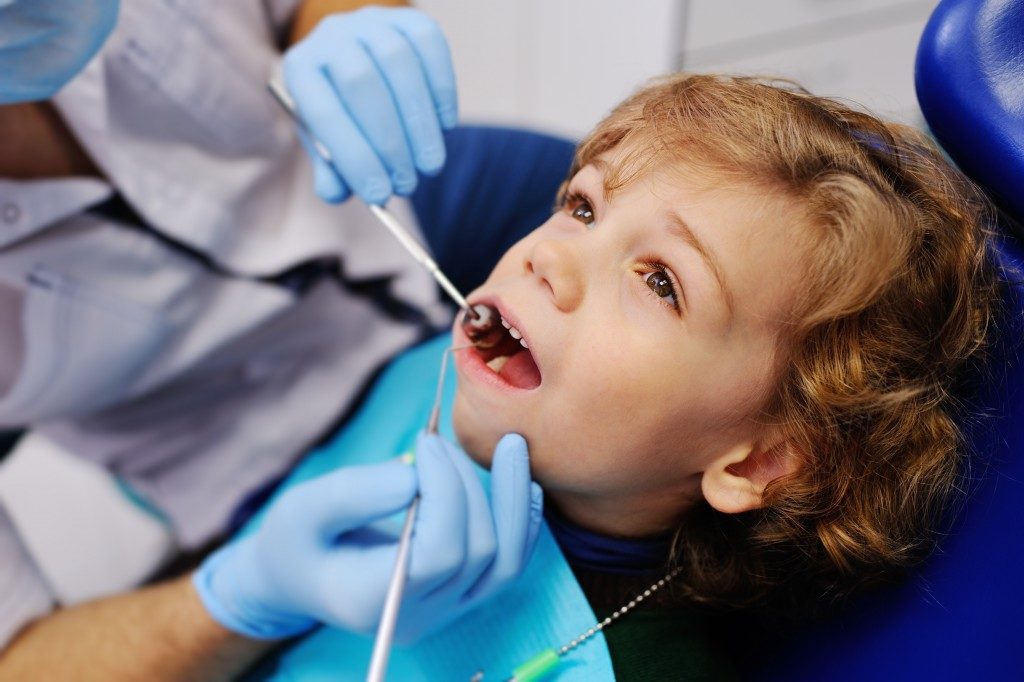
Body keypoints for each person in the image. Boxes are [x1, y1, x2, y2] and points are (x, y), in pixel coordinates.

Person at [203, 73, 1001, 680]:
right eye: (583, 207)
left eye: (661, 281)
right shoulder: (424, 376)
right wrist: (243, 590)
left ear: (754, 461)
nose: (547, 257)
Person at [0, 1, 559, 678]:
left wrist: (344, 22)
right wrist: (242, 597)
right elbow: (18, 658)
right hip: (258, 449)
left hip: (396, 207)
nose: (559, 266)